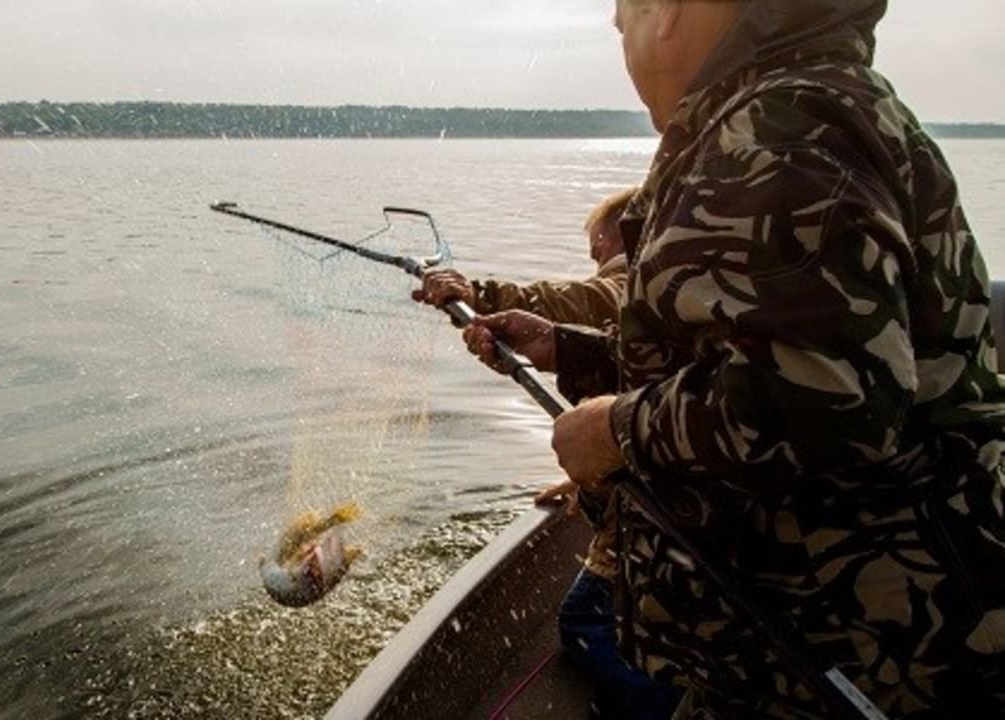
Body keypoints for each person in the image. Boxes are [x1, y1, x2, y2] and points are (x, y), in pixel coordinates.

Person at [463, 0, 1005, 717]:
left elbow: (824, 400)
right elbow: (753, 353)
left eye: (622, 25)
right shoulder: (803, 102)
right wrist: (565, 348)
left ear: (668, 13)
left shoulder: (779, 128)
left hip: (856, 655)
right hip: (806, 645)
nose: (623, 49)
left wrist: (613, 431)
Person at [415, 188, 682, 719]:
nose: (593, 257)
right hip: (661, 477)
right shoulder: (682, 287)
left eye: (594, 244)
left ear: (615, 232)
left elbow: (591, 298)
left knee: (583, 619)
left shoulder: (635, 272)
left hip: (664, 530)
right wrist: (590, 479)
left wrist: (479, 293)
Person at [413, 186, 633, 327]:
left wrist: (481, 297)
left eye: (597, 254)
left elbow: (597, 299)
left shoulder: (637, 282)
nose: (598, 271)